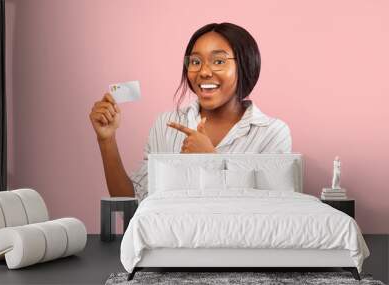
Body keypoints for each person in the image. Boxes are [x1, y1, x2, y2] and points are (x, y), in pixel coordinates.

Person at [89, 22, 292, 202]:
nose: (203, 71)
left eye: (219, 61)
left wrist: (211, 160)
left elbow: (272, 212)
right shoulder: (166, 124)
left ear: (245, 66)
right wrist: (107, 140)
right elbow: (135, 206)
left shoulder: (271, 133)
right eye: (195, 61)